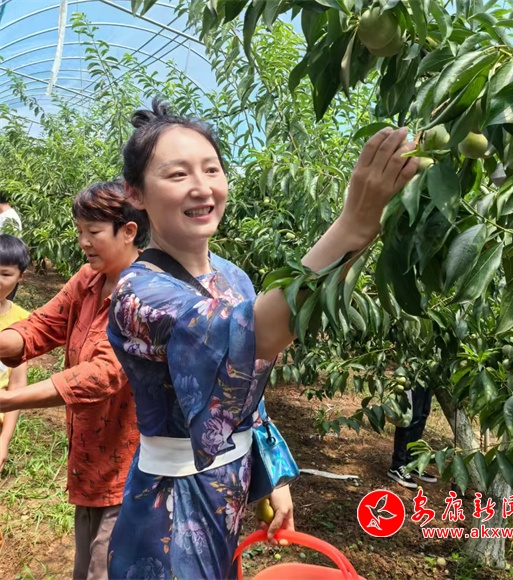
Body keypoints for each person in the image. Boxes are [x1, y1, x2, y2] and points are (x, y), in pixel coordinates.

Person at [106, 98, 419, 579]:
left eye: (212, 169)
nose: (202, 187)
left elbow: (247, 384)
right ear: (136, 193)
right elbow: (254, 337)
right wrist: (353, 224)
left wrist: (270, 475)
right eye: (177, 174)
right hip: (172, 506)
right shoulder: (139, 292)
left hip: (227, 488)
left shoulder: (233, 277)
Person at [0, 180, 149, 580]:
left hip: (130, 468)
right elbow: (39, 327)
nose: (83, 242)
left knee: (104, 568)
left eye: (93, 232)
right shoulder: (89, 279)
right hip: (90, 460)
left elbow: (101, 376)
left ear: (128, 231)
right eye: (80, 230)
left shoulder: (145, 295)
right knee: (87, 567)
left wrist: (7, 400)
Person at [0, 234, 30, 472]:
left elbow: (17, 383)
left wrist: (3, 441)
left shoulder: (22, 321)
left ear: (21, 277)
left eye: (5, 274)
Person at [387, 385, 438, 489]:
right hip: (412, 379)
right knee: (408, 417)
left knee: (423, 415)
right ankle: (397, 465)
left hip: (427, 378)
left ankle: (411, 463)